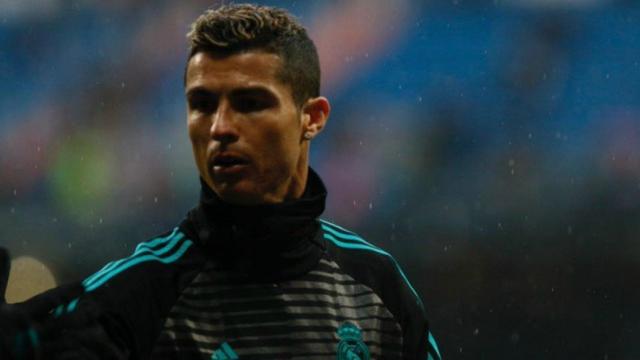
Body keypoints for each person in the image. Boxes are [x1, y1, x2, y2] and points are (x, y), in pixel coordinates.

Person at [2, 4, 441, 359]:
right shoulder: (137, 296)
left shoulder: (377, 285)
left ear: (312, 118)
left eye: (250, 103)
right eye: (203, 104)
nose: (220, 127)